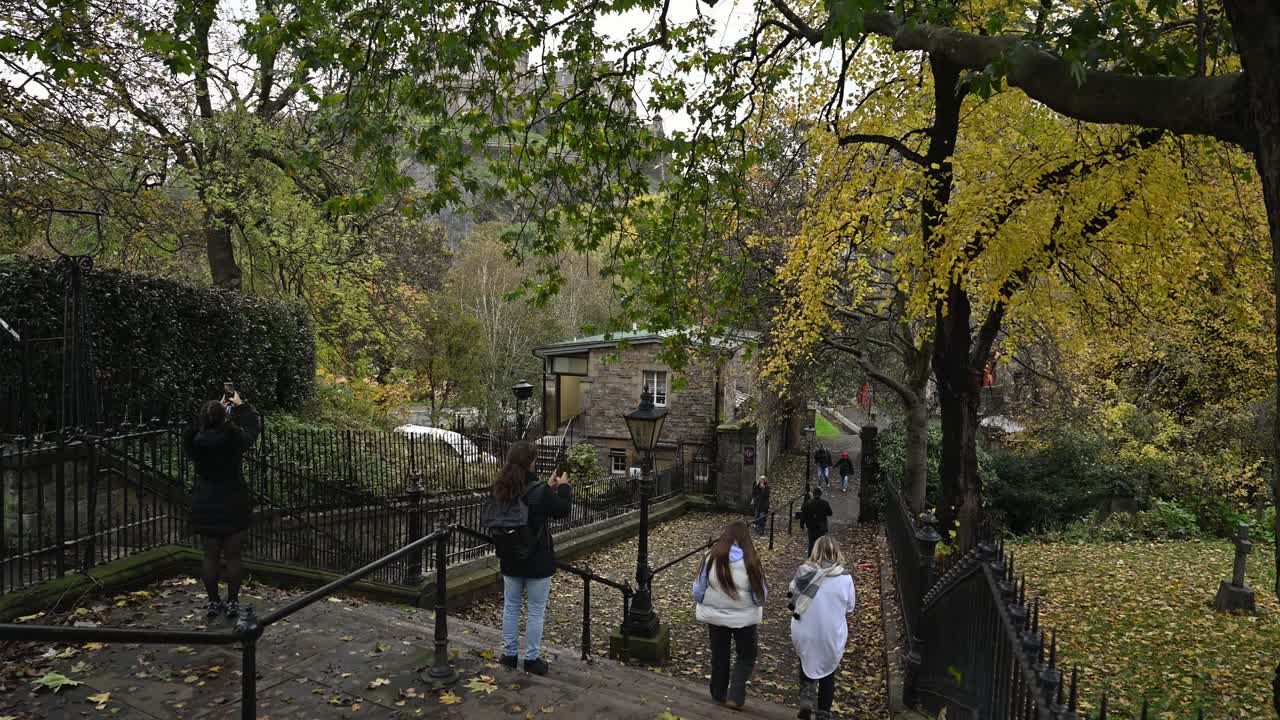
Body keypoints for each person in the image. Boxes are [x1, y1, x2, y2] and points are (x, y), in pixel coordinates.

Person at [492, 441, 572, 675]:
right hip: (537, 558)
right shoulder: (540, 492)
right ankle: (531, 659)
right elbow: (562, 510)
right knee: (536, 610)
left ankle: (508, 655)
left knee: (511, 607)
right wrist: (563, 487)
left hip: (510, 556)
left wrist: (545, 487)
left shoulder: (500, 487)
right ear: (530, 463)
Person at [184, 391, 260, 619]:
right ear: (224, 419)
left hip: (205, 501)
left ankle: (213, 602)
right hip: (233, 501)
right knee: (233, 556)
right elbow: (252, 428)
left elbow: (192, 429)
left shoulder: (195, 441)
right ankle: (233, 602)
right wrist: (240, 406)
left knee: (210, 556)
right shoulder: (233, 438)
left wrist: (212, 410)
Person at [693, 520, 767, 710]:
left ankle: (718, 694)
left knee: (719, 654)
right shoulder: (751, 560)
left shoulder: (710, 557)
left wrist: (709, 600)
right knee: (747, 655)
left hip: (716, 617)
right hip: (744, 618)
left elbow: (698, 590)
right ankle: (735, 695)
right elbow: (760, 596)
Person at [788, 536, 856, 720]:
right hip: (830, 631)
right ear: (836, 552)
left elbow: (793, 595)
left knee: (806, 659)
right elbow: (850, 606)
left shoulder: (804, 572)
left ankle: (806, 699)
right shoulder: (845, 578)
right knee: (828, 669)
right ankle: (824, 712)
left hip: (804, 627)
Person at [799, 487, 833, 555]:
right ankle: (819, 555)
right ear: (820, 494)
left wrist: (802, 524)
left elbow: (803, 515)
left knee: (811, 541)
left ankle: (810, 555)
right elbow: (830, 513)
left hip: (811, 525)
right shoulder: (825, 503)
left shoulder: (807, 503)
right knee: (820, 541)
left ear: (813, 494)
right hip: (822, 525)